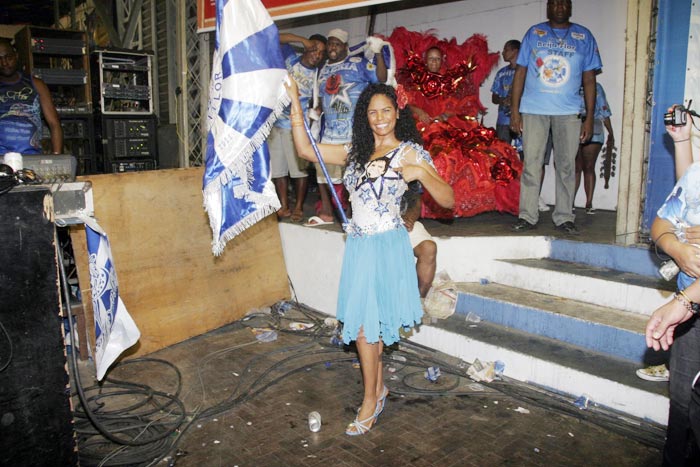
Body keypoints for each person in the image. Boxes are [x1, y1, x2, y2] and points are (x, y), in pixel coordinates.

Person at [285, 78, 453, 435]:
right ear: (365, 116)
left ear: (397, 114)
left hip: (388, 247)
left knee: (367, 327)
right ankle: (377, 391)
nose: (379, 118)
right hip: (360, 248)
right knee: (365, 326)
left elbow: (449, 199)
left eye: (386, 111)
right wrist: (296, 105)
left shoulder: (409, 152)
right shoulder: (355, 151)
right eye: (373, 112)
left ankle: (369, 400)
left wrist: (422, 172)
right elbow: (305, 150)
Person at [388, 27, 522, 219]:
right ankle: (425, 206)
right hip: (421, 126)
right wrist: (418, 110)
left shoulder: (452, 82)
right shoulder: (412, 81)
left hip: (449, 126)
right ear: (425, 61)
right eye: (430, 59)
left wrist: (447, 114)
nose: (434, 62)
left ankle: (456, 204)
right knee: (437, 156)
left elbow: (463, 107)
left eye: (437, 59)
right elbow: (402, 104)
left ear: (442, 61)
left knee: (487, 155)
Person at [510, 0, 602, 235]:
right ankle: (527, 216)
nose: (559, 6)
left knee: (566, 166)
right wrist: (515, 111)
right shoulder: (534, 33)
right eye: (554, 2)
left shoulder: (584, 36)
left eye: (564, 2)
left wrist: (589, 117)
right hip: (533, 110)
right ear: (548, 6)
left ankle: (564, 216)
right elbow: (520, 72)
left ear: (570, 7)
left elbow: (590, 79)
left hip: (569, 112)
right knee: (531, 164)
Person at [645, 106, 700, 465]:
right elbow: (663, 222)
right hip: (690, 308)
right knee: (682, 397)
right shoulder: (697, 175)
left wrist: (684, 301)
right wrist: (677, 247)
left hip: (689, 301)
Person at [311, 28, 387, 226]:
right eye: (330, 43)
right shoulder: (323, 69)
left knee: (355, 175)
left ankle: (354, 214)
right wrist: (316, 112)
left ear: (345, 46)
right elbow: (321, 98)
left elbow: (381, 78)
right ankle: (327, 213)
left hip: (354, 132)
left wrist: (378, 52)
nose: (332, 47)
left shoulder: (358, 64)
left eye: (337, 43)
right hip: (330, 132)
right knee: (322, 172)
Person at [270, 33, 326, 222]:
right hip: (275, 124)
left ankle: (299, 206)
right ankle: (283, 205)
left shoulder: (318, 75)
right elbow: (276, 38)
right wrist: (302, 40)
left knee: (298, 170)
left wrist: (316, 111)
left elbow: (319, 101)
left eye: (321, 53)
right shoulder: (290, 58)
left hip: (295, 127)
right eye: (314, 48)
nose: (317, 55)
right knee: (278, 170)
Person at [0, 38, 63, 155]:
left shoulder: (37, 84)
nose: (4, 63)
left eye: (8, 57)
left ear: (16, 56)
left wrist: (57, 158)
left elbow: (54, 124)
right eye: (0, 59)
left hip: (31, 157)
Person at [574, 78, 614, 214]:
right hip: (572, 126)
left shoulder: (597, 87)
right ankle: (569, 203)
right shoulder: (570, 85)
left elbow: (604, 110)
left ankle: (589, 203)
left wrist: (611, 132)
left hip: (593, 126)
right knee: (575, 168)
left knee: (589, 167)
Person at [401, 182, 437, 298]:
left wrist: (409, 218)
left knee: (428, 248)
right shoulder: (366, 168)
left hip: (402, 221)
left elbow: (416, 200)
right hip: (375, 224)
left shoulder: (406, 168)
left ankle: (419, 300)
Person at [491, 40, 521, 148]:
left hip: (522, 120)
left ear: (515, 51)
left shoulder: (526, 71)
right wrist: (502, 100)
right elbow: (494, 97)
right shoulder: (501, 73)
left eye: (506, 50)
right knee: (502, 153)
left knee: (525, 154)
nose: (503, 53)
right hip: (503, 120)